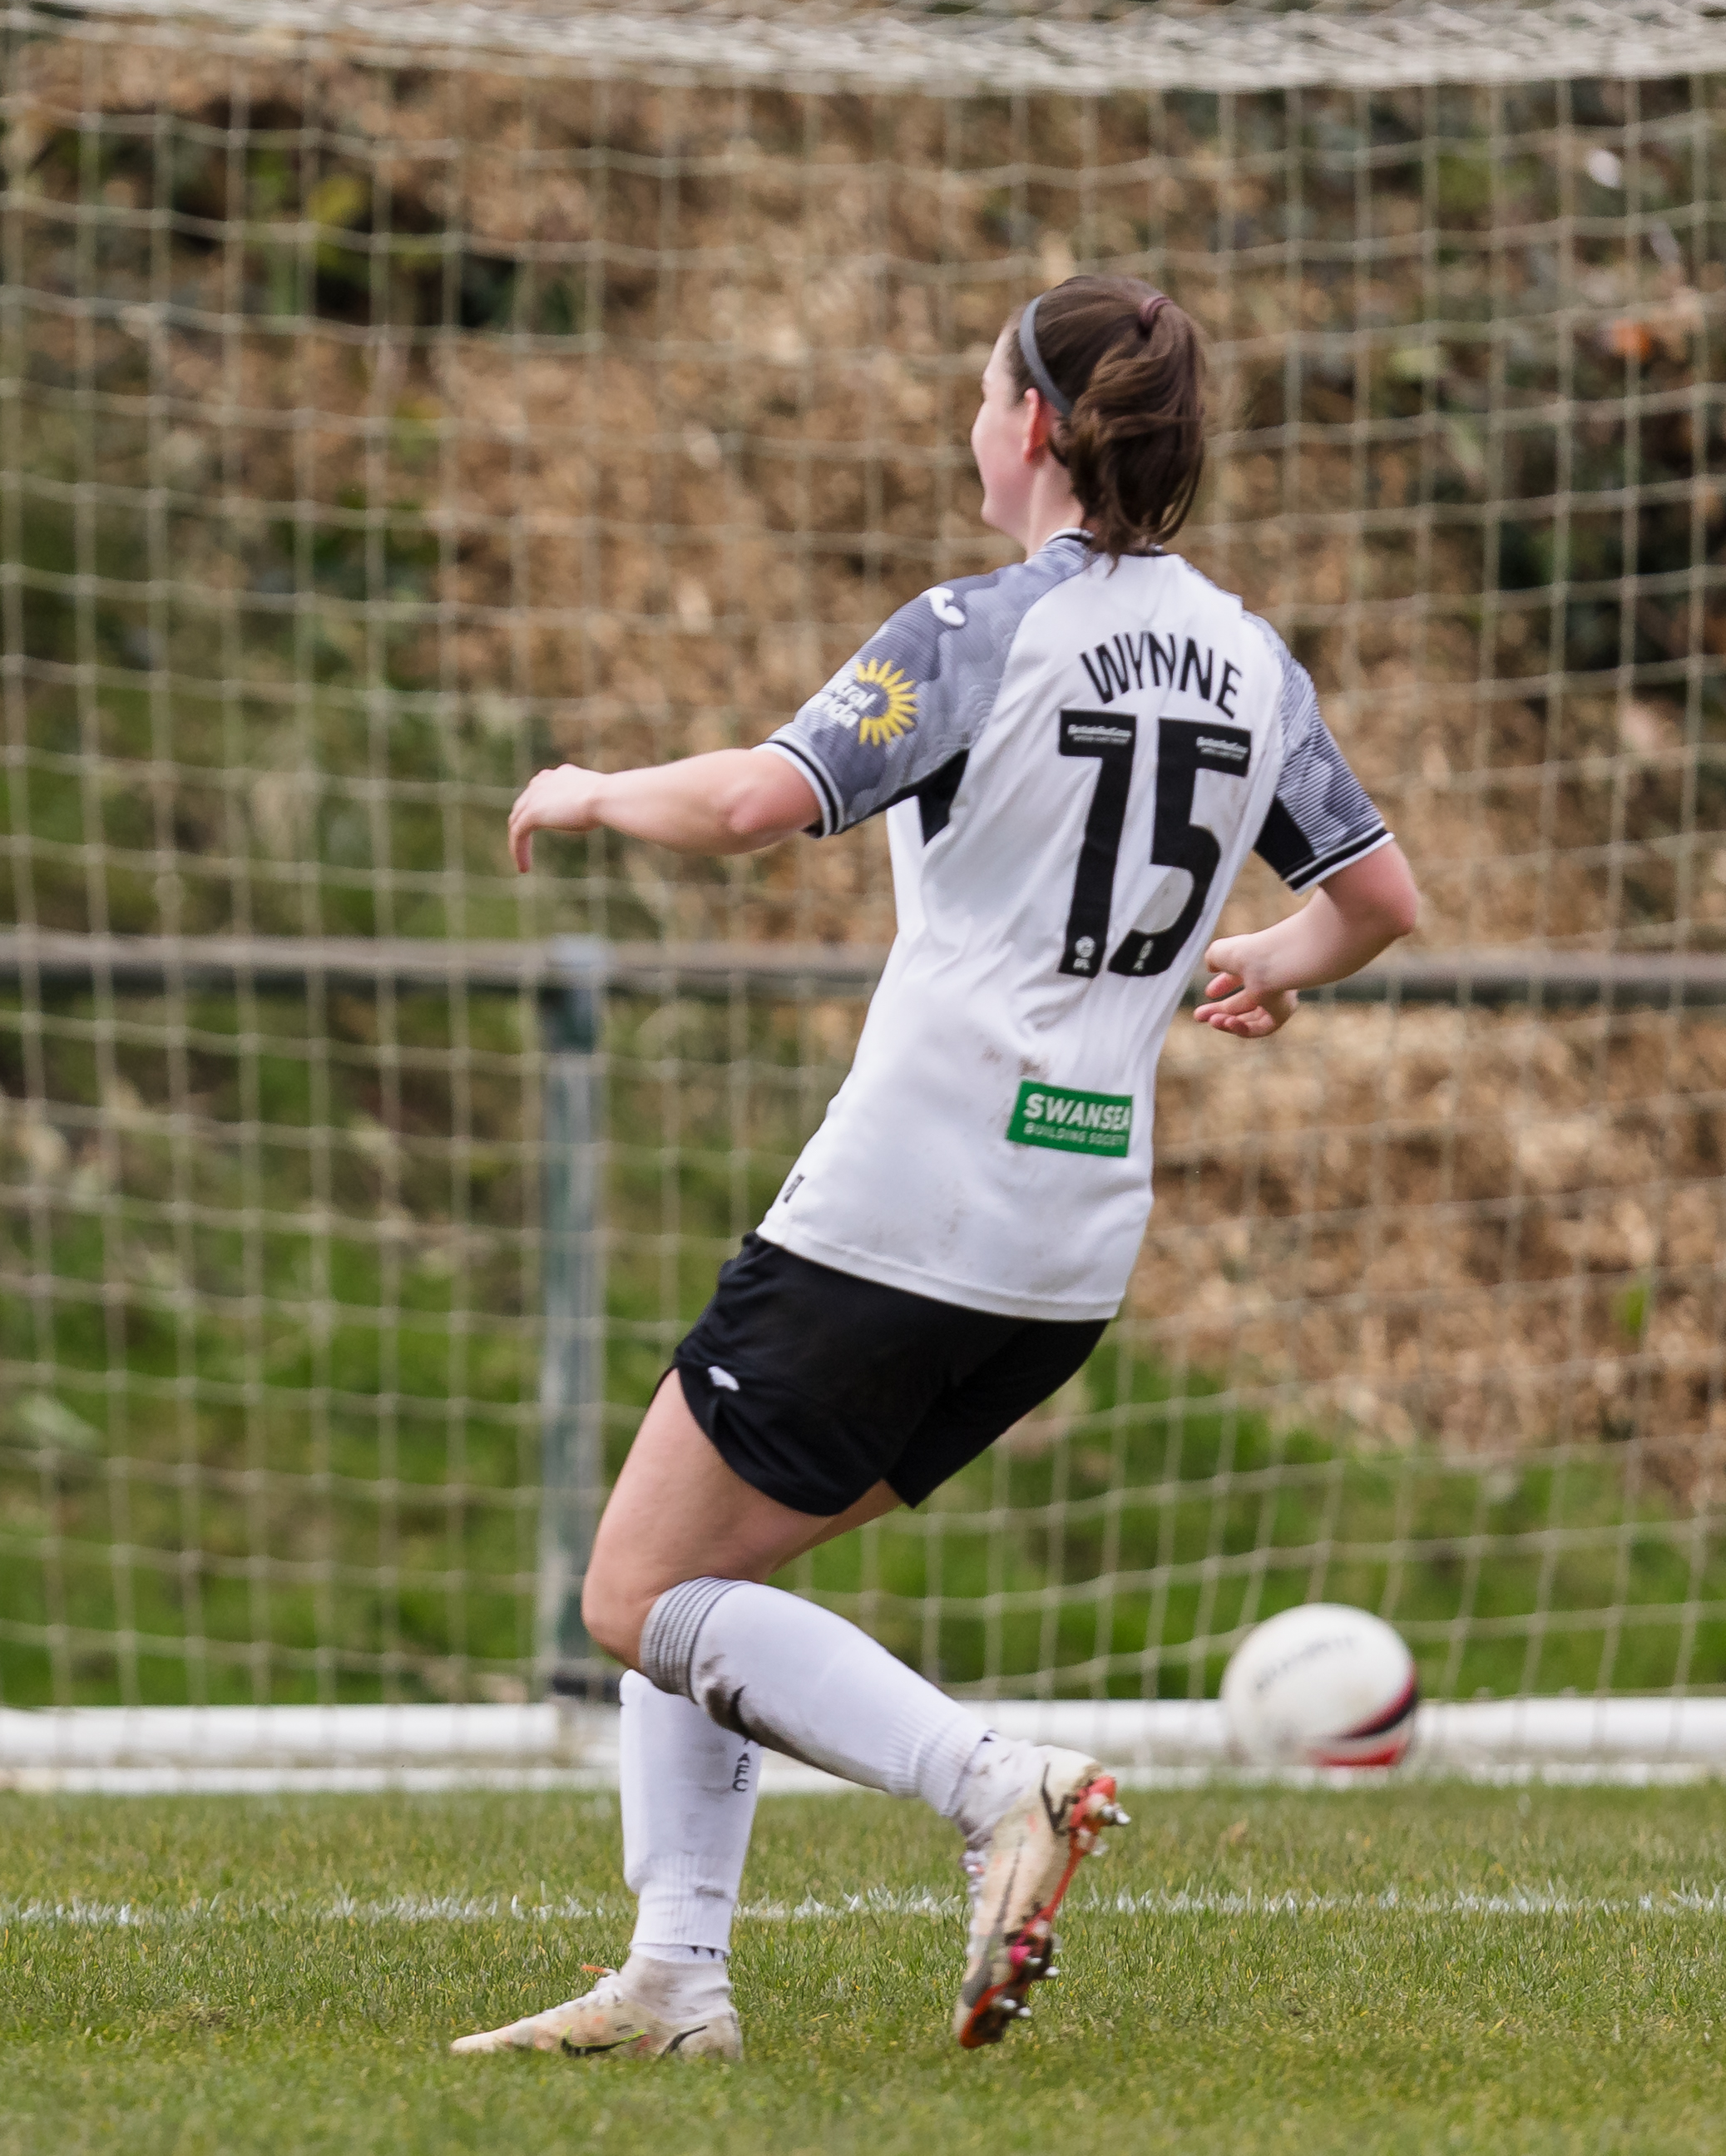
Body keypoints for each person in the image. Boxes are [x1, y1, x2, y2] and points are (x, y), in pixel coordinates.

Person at [462, 274, 1422, 2060]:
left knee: (632, 1598)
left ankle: (998, 1788)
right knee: (711, 1593)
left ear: (1033, 427)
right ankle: (675, 1982)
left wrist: (587, 787)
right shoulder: (1247, 656)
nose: (970, 424)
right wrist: (1255, 966)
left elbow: (759, 803)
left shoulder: (978, 627)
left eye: (984, 395)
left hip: (903, 1203)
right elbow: (1374, 902)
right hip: (1065, 1248)